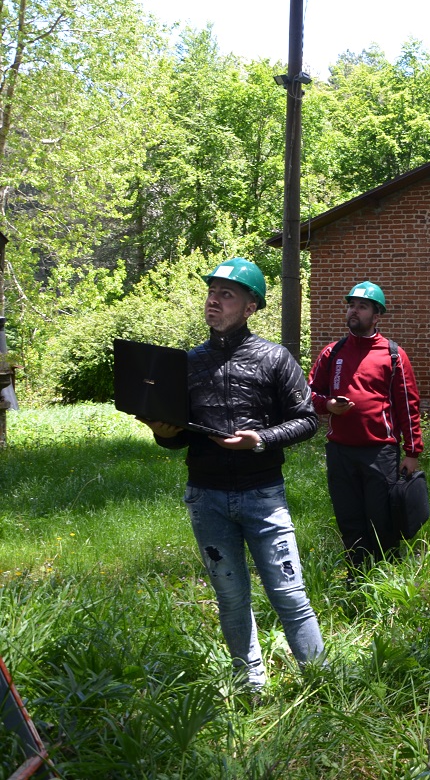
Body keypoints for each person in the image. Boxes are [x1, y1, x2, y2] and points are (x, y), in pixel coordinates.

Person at [144, 257, 324, 691]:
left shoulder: (275, 358)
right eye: (212, 292)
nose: (214, 300)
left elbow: (307, 420)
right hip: (206, 497)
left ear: (250, 307)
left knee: (289, 594)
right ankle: (249, 686)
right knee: (230, 598)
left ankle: (321, 682)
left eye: (226, 294)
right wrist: (162, 434)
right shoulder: (188, 364)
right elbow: (179, 438)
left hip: (264, 496)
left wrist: (259, 439)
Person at [308, 281, 423, 569]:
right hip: (340, 451)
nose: (354, 311)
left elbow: (408, 405)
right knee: (349, 517)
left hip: (379, 452)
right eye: (351, 305)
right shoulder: (332, 353)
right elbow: (308, 393)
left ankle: (388, 574)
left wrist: (412, 452)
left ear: (376, 315)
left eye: (362, 306)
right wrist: (328, 405)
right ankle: (356, 573)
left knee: (383, 517)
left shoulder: (393, 355)